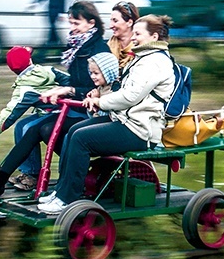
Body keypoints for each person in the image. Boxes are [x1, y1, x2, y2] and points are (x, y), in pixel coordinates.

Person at [38, 14, 176, 214]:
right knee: (74, 130)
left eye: (138, 33)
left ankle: (67, 199)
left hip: (139, 130)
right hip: (126, 120)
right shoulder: (144, 58)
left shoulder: (153, 62)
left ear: (154, 36)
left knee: (81, 139)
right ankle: (61, 191)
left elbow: (130, 97)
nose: (134, 37)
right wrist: (99, 92)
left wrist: (100, 102)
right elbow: (124, 90)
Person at [0, 0, 108, 199]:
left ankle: (7, 180)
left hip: (92, 111)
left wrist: (66, 90)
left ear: (91, 23)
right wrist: (62, 89)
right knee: (34, 128)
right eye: (70, 23)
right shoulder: (78, 48)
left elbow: (98, 87)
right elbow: (72, 80)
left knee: (41, 128)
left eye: (76, 23)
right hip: (76, 107)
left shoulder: (97, 50)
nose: (72, 28)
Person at [0, 45, 70, 191]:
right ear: (30, 60)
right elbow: (69, 80)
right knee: (21, 125)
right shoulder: (47, 70)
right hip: (58, 112)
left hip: (59, 115)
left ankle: (31, 175)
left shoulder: (25, 88)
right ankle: (29, 171)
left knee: (27, 127)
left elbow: (9, 113)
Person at [85, 52, 120, 117]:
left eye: (96, 73)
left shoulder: (114, 89)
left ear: (108, 72)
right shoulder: (101, 88)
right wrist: (90, 105)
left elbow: (107, 114)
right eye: (91, 72)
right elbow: (92, 116)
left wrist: (96, 99)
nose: (92, 76)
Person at [108, 1, 140, 69]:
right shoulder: (106, 48)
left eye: (115, 21)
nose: (110, 26)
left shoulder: (141, 49)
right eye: (111, 21)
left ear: (129, 23)